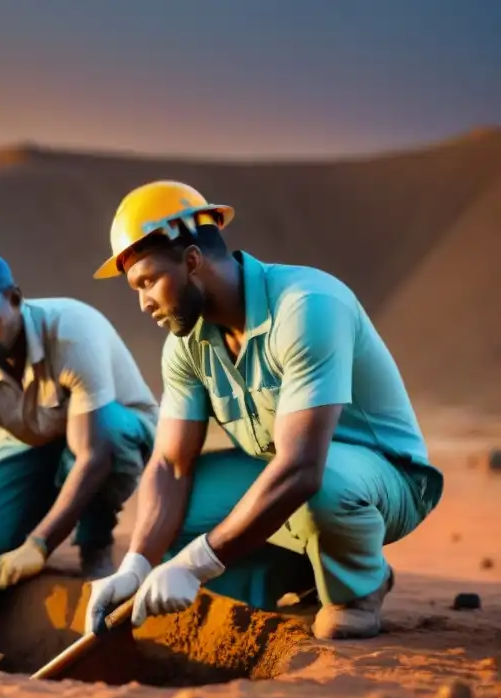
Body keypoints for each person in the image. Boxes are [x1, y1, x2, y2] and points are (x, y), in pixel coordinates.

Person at [84, 180, 444, 640]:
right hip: (288, 476)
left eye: (148, 282)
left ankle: (358, 586)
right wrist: (137, 564)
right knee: (175, 514)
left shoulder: (306, 307)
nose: (143, 302)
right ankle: (306, 573)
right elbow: (171, 466)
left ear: (192, 261)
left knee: (318, 489)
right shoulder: (186, 345)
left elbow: (302, 470)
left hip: (381, 481)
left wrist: (195, 565)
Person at [0, 249, 159, 591]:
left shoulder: (71, 332)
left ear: (15, 299)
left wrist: (38, 545)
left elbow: (94, 454)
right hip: (32, 440)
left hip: (114, 430)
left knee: (108, 436)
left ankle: (94, 543)